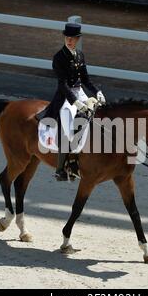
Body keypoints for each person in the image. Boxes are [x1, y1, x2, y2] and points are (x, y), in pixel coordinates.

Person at [42, 22, 106, 181]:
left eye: (72, 38)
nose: (69, 40)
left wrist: (97, 92)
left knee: (97, 114)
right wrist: (76, 103)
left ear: (77, 39)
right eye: (67, 38)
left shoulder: (80, 55)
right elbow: (62, 85)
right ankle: (61, 169)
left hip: (80, 92)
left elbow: (85, 80)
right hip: (66, 97)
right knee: (67, 129)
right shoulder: (59, 57)